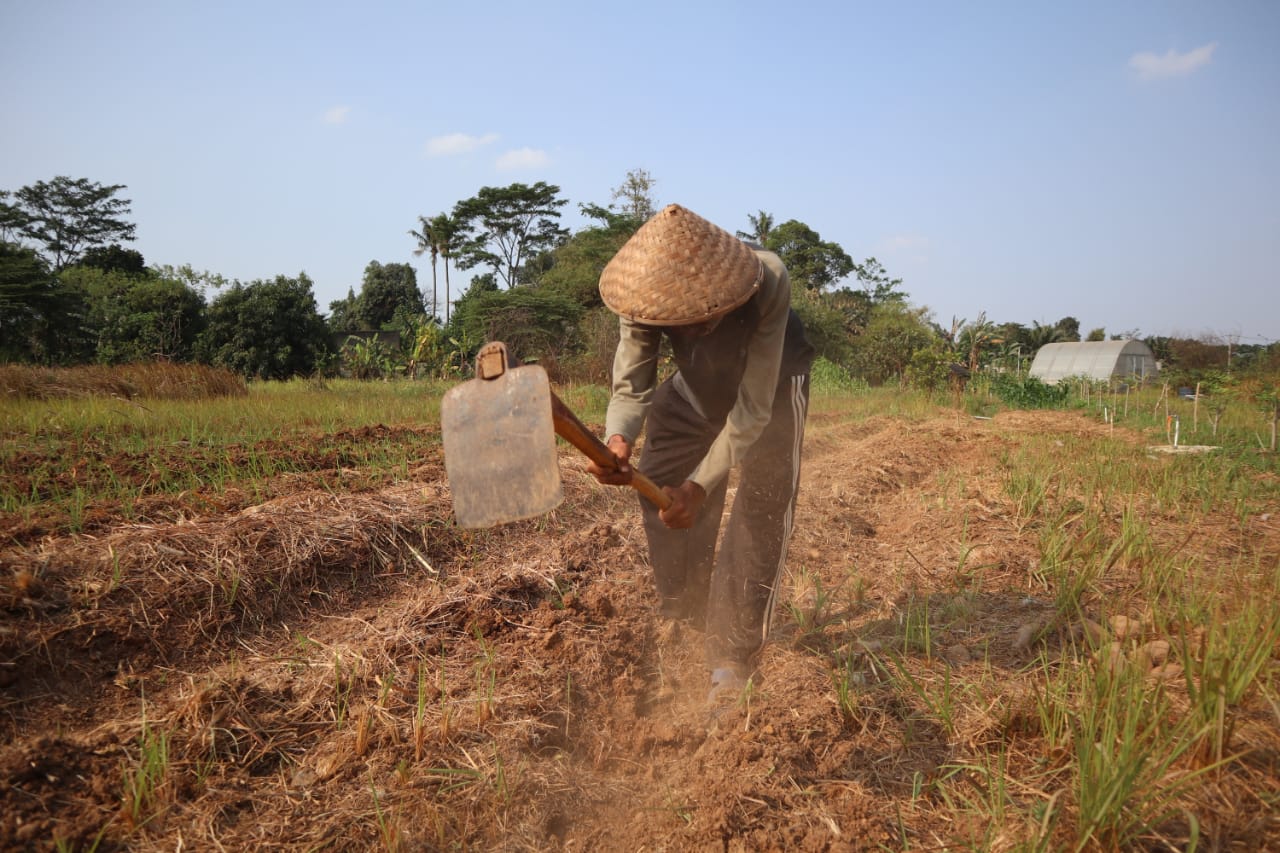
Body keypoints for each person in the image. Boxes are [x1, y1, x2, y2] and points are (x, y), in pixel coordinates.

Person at [586, 204, 815, 704]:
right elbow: (631, 386)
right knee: (659, 480)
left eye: (703, 318)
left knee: (761, 505)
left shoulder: (767, 280)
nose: (692, 330)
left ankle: (732, 657)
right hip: (696, 387)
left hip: (772, 387)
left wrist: (700, 486)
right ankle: (685, 610)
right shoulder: (642, 295)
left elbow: (753, 410)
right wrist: (619, 439)